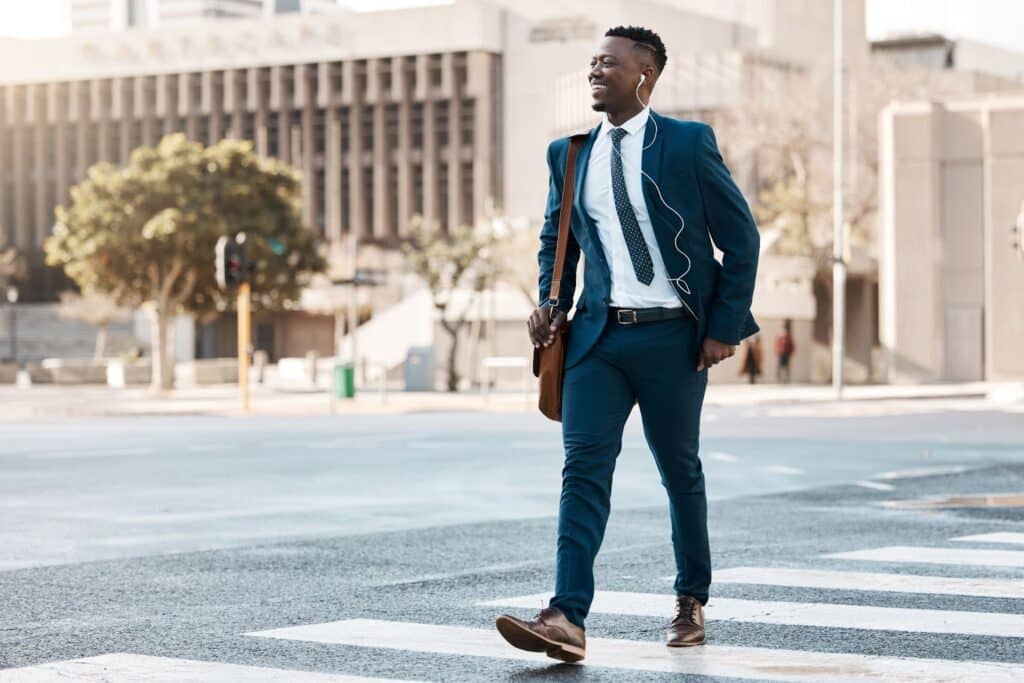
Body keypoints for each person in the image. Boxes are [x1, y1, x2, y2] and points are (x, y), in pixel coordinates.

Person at [495, 25, 760, 662]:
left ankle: (690, 600)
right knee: (582, 472)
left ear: (644, 74)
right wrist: (549, 302)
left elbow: (740, 239)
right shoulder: (570, 152)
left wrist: (724, 327)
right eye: (591, 62)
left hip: (674, 341)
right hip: (597, 340)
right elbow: (555, 241)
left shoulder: (688, 144)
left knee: (679, 472)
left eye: (608, 63)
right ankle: (566, 616)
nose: (595, 70)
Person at [774, 318, 795, 383]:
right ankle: (779, 378)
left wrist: (791, 352)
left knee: (786, 366)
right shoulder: (780, 337)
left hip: (786, 353)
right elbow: (776, 344)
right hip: (781, 353)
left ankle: (786, 378)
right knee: (779, 366)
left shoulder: (789, 337)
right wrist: (777, 351)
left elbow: (792, 345)